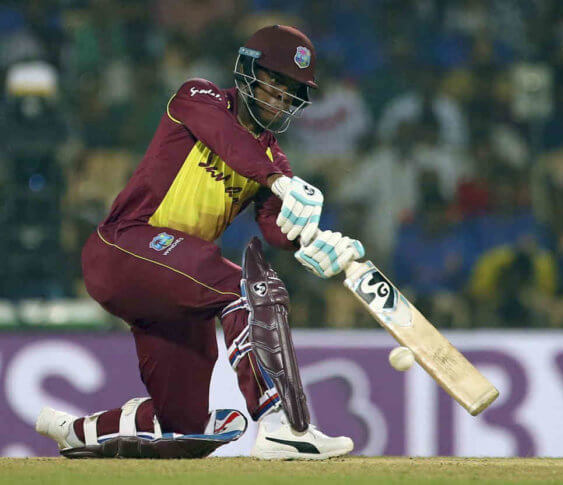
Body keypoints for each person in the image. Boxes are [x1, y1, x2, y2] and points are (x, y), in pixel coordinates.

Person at [34, 25, 364, 460]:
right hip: (122, 249)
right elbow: (228, 140)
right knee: (249, 287)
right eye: (275, 84)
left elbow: (275, 229)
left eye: (292, 93)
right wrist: (278, 180)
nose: (281, 99)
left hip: (175, 284)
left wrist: (315, 242)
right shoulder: (199, 97)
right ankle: (281, 422)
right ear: (248, 71)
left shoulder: (272, 162)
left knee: (184, 423)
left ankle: (77, 431)